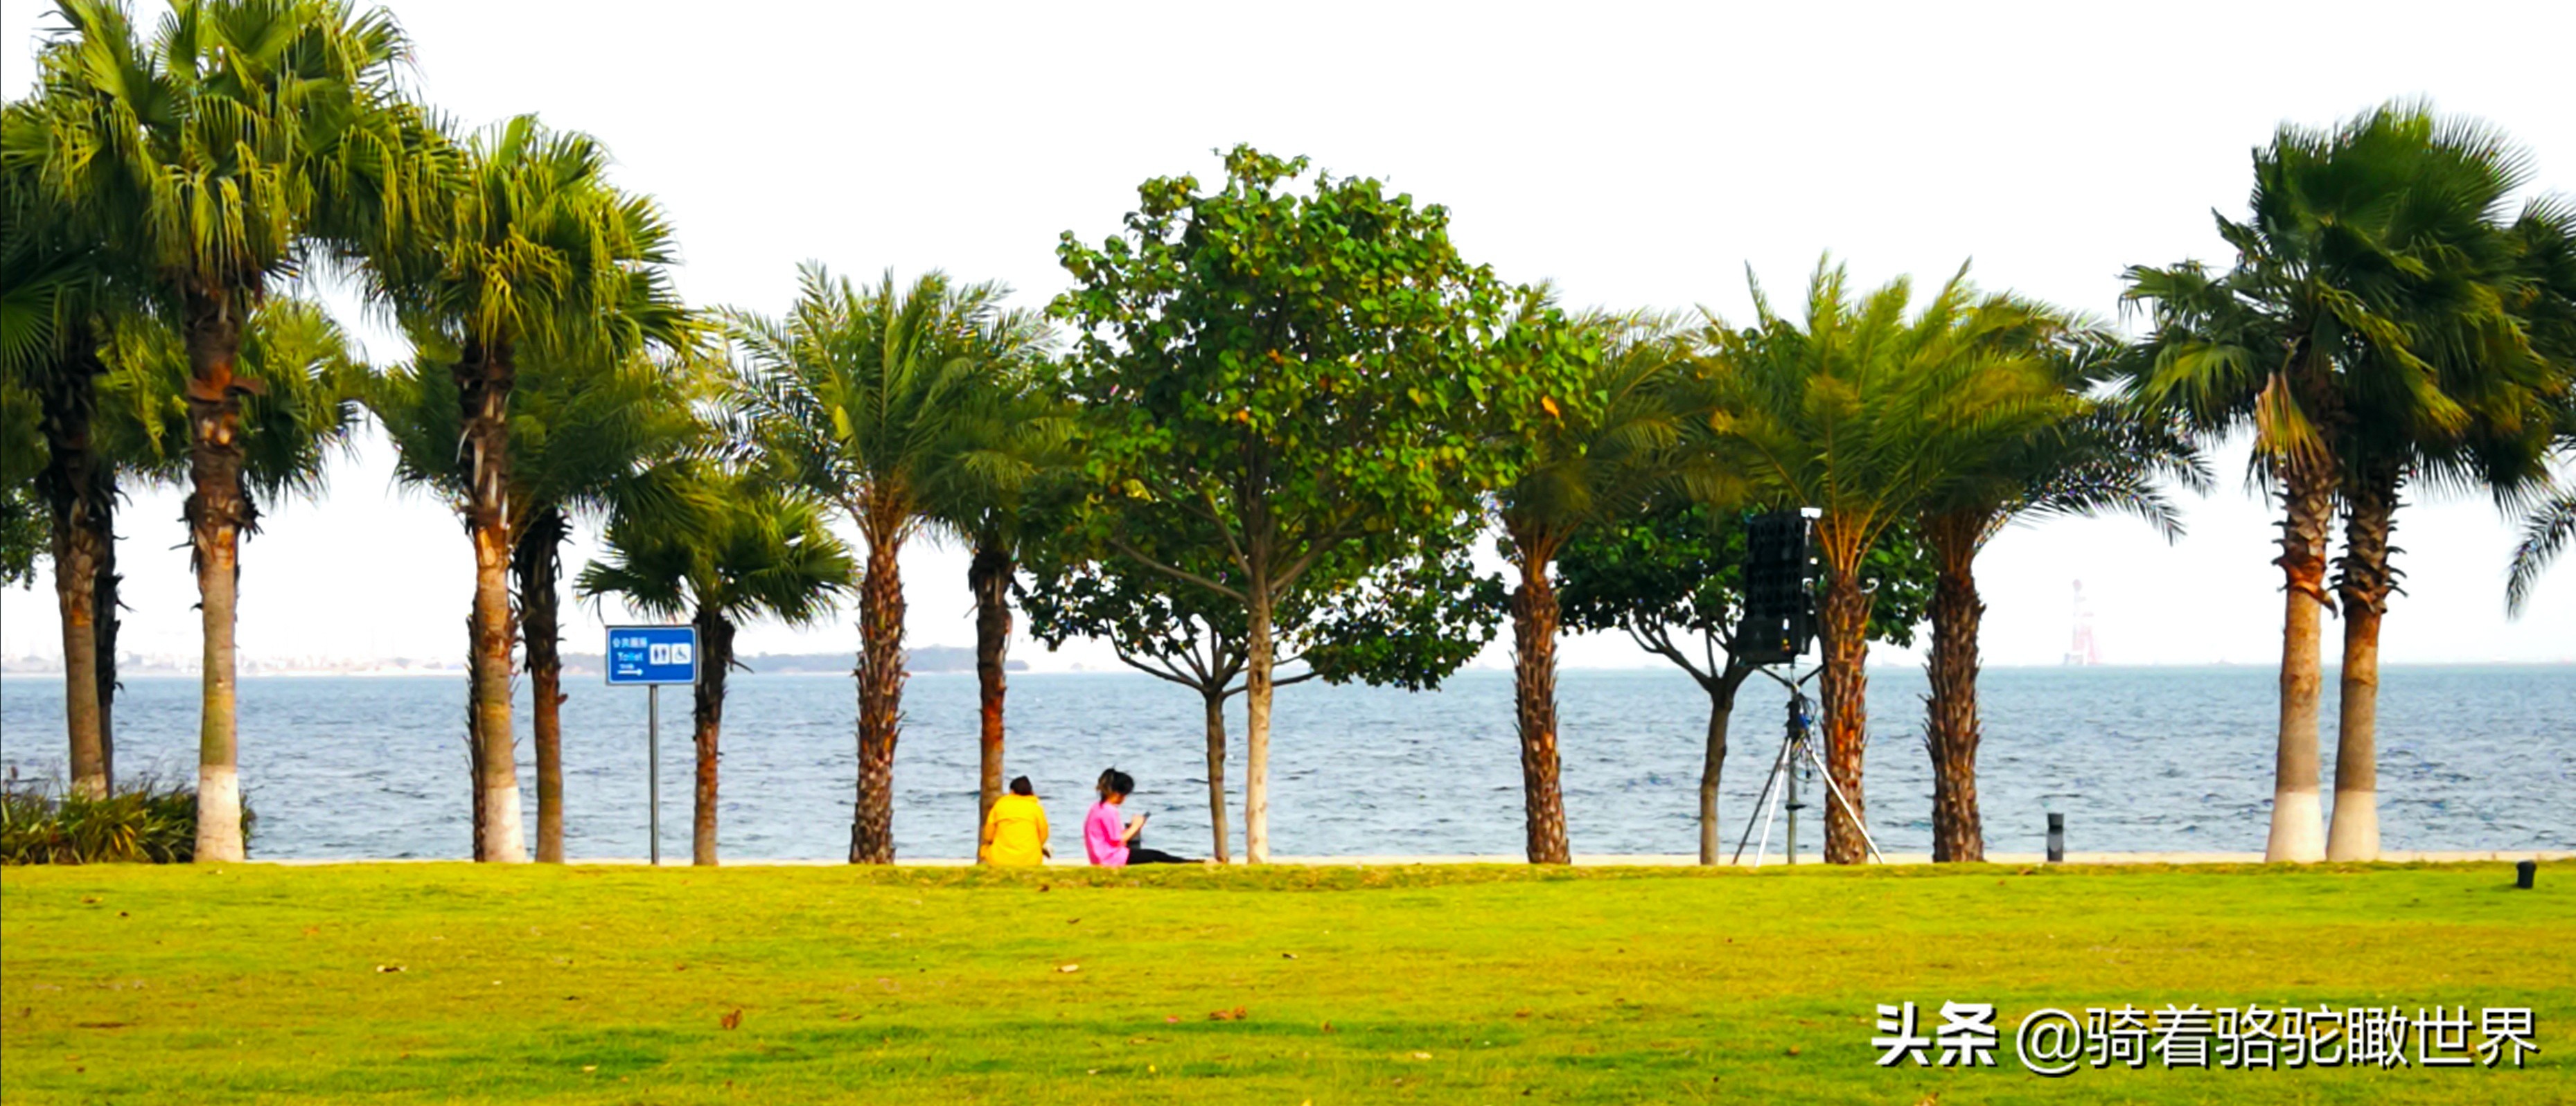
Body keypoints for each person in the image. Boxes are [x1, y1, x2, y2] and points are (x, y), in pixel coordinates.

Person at [1084, 768, 1197, 866]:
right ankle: (1189, 863)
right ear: (1118, 794)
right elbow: (1117, 840)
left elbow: (1112, 838)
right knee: (1156, 855)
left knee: (1154, 855)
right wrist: (1136, 826)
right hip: (1112, 858)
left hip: (1100, 857)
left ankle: (1188, 862)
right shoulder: (1110, 811)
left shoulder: (1096, 808)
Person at [978, 776, 1050, 866]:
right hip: (1030, 860)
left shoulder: (1000, 805)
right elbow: (1044, 834)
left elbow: (988, 835)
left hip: (1000, 859)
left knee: (985, 849)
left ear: (1012, 791)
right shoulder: (1036, 808)